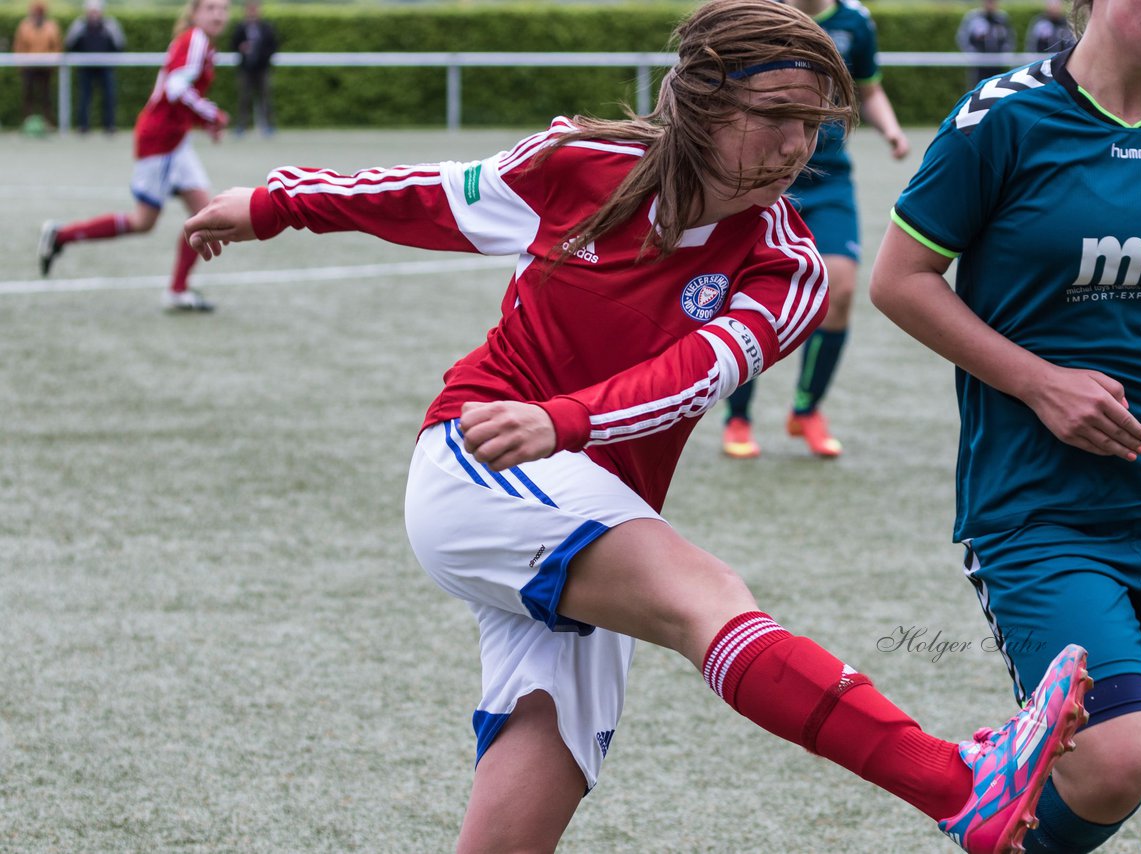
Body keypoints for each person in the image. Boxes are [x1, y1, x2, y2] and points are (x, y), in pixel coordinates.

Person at [182, 2, 1091, 851]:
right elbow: (430, 196)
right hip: (480, 459)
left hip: (578, 500)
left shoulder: (789, 267)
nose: (795, 145)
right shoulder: (579, 165)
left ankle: (959, 786)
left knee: (538, 776)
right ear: (703, 103)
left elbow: (694, 376)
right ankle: (953, 782)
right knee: (707, 597)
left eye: (814, 123)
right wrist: (272, 206)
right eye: (773, 113)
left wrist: (567, 421)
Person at [869, 0, 1141, 851]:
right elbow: (901, 280)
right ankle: (994, 826)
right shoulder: (1003, 117)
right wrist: (1041, 384)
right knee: (1111, 765)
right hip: (1039, 506)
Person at [721, 0, 910, 460]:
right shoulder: (759, 16)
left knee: (840, 288)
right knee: (745, 291)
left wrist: (891, 130)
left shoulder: (855, 21)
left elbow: (869, 89)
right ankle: (739, 416)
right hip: (762, 170)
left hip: (827, 179)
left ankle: (806, 409)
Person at [38, 0, 230, 313]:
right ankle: (61, 235)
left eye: (223, 8)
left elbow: (177, 98)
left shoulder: (201, 44)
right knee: (145, 222)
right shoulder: (195, 39)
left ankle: (177, 291)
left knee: (205, 214)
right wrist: (213, 116)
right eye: (210, 7)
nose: (218, 14)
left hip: (174, 142)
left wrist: (204, 122)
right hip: (161, 143)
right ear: (194, 12)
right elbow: (176, 88)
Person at [65, 0, 126, 135]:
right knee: (84, 97)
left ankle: (109, 126)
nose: (93, 14)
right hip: (85, 67)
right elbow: (69, 44)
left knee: (109, 96)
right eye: (91, 11)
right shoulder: (79, 25)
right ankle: (83, 126)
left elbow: (120, 44)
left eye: (96, 11)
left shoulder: (110, 24)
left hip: (106, 67)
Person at [229, 0, 278, 137]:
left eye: (255, 9)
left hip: (262, 69)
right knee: (244, 98)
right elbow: (233, 44)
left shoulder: (266, 27)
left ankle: (268, 126)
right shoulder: (240, 27)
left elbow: (273, 46)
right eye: (250, 9)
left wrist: (261, 54)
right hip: (246, 69)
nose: (252, 12)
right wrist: (242, 48)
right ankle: (241, 126)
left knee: (265, 97)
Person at [14, 0, 63, 132]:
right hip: (29, 67)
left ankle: (48, 123)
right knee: (28, 96)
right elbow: (19, 46)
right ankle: (26, 123)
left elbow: (57, 46)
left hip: (45, 67)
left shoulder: (51, 26)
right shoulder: (24, 25)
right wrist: (21, 63)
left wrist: (54, 62)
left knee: (46, 97)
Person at [955, 0, 1015, 88]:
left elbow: (1010, 38)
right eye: (988, 1)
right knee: (977, 89)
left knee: (998, 89)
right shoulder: (973, 17)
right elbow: (962, 37)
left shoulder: (1002, 18)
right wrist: (972, 54)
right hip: (978, 65)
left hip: (997, 64)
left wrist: (1004, 54)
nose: (991, 4)